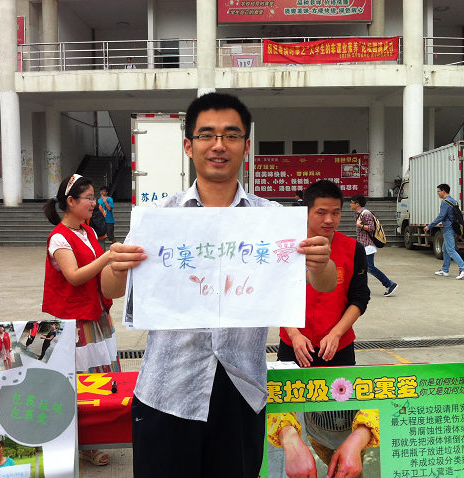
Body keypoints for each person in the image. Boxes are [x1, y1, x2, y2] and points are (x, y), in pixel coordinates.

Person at [100, 93, 336, 478]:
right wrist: (117, 265)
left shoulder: (272, 219)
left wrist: (321, 262)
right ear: (188, 145)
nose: (219, 145)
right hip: (167, 389)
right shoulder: (159, 217)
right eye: (207, 134)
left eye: (231, 135)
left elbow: (324, 283)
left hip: (241, 390)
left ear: (246, 145)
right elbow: (111, 288)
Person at [42, 174, 119, 467]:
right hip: (76, 319)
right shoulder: (59, 238)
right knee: (83, 380)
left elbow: (98, 274)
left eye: (93, 198)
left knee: (101, 377)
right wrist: (107, 257)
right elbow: (74, 276)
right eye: (88, 198)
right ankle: (84, 442)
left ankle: (100, 434)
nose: (93, 203)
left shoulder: (87, 230)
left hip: (96, 313)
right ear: (71, 202)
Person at [278, 180, 369, 369]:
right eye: (321, 212)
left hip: (337, 347)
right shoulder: (286, 248)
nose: (329, 219)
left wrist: (336, 334)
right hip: (295, 346)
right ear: (307, 212)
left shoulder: (354, 250)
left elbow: (360, 298)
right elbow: (276, 295)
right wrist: (294, 335)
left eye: (335, 213)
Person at [267, 410, 380, 478]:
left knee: (352, 472)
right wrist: (289, 437)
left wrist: (361, 435)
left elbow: (382, 386)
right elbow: (276, 387)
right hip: (317, 436)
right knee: (330, 463)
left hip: (355, 437)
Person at [350, 194, 397, 297]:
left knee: (370, 267)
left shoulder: (366, 213)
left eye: (352, 203)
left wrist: (360, 225)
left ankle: (389, 284)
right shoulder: (358, 213)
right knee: (359, 266)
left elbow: (371, 228)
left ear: (357, 204)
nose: (350, 205)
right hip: (362, 245)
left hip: (368, 245)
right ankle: (357, 288)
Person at [424, 183, 464, 280]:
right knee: (445, 249)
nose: (438, 193)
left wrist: (429, 226)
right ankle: (445, 270)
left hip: (448, 229)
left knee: (450, 250)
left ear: (443, 191)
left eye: (438, 191)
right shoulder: (453, 201)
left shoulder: (445, 202)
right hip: (454, 228)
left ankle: (463, 268)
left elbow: (441, 216)